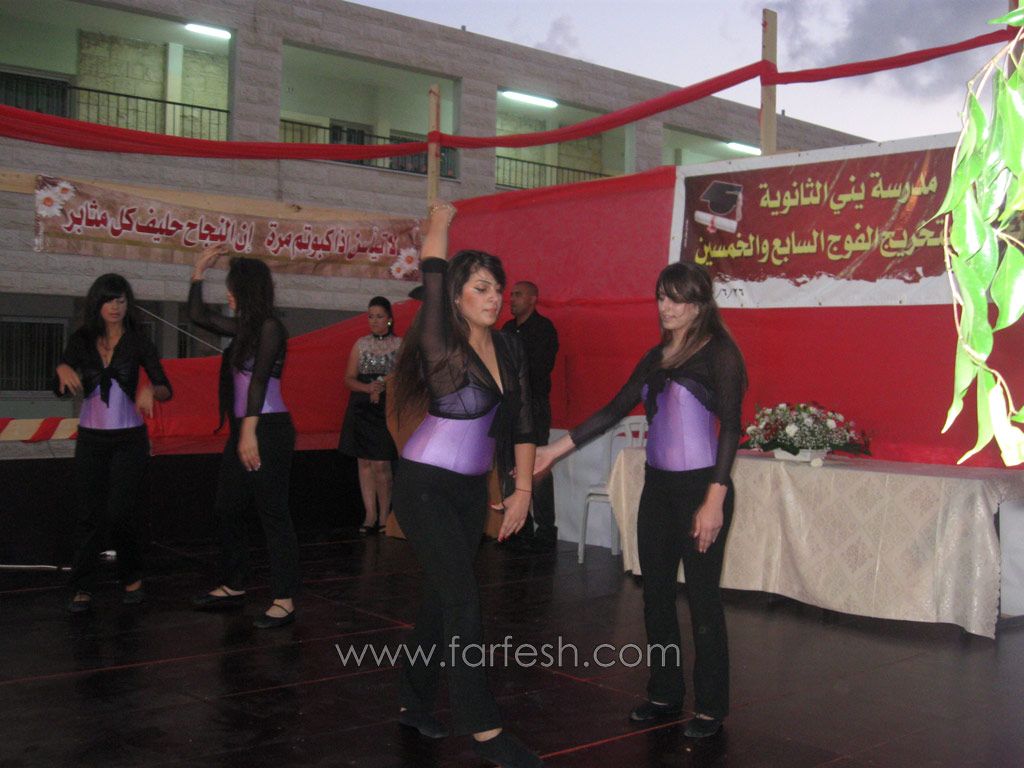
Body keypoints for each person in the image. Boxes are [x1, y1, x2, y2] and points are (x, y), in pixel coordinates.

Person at [535, 261, 747, 740]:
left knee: (703, 601)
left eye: (676, 298)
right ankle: (664, 693)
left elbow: (732, 427)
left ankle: (711, 707)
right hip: (658, 487)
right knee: (655, 595)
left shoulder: (720, 353)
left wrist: (714, 499)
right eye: (661, 297)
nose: (665, 307)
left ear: (699, 303)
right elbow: (614, 409)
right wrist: (554, 450)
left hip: (702, 488)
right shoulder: (656, 356)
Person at [390, 202, 543, 768]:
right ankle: (483, 728)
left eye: (498, 289)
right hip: (424, 485)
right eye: (482, 288)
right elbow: (433, 268)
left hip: (469, 491)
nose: (495, 297)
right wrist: (440, 223)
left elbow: (523, 420)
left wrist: (522, 491)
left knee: (441, 597)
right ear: (456, 296)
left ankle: (412, 700)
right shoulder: (440, 338)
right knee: (462, 598)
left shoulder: (509, 346)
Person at [187, 244, 300, 629]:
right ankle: (235, 583)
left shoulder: (270, 328)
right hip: (245, 428)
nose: (228, 295)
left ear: (247, 290)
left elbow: (259, 382)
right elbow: (197, 315)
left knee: (273, 512)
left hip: (266, 427)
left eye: (232, 288)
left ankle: (284, 598)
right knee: (228, 506)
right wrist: (198, 270)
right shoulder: (243, 330)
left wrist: (248, 433)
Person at [55, 273, 172, 613]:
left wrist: (151, 390)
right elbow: (60, 388)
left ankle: (131, 576)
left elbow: (165, 387)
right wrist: (61, 369)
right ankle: (81, 585)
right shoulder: (81, 339)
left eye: (121, 300)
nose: (115, 307)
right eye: (109, 300)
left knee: (121, 512)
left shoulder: (138, 341)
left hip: (129, 438)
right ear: (97, 303)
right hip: (91, 438)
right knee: (89, 514)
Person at [502, 281, 559, 551]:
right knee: (510, 464)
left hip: (533, 405)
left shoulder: (543, 329)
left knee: (537, 465)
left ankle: (546, 529)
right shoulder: (506, 329)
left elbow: (538, 369)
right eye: (511, 294)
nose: (511, 299)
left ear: (533, 299)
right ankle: (518, 526)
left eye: (518, 294)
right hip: (508, 405)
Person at [339, 296, 402, 534]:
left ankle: (385, 515)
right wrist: (368, 388)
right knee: (364, 463)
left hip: (386, 408)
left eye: (379, 316)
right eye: (370, 316)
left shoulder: (399, 344)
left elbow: (406, 376)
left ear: (389, 319)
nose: (374, 321)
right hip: (362, 407)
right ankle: (370, 515)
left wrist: (382, 385)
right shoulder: (361, 344)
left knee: (381, 464)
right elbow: (348, 379)